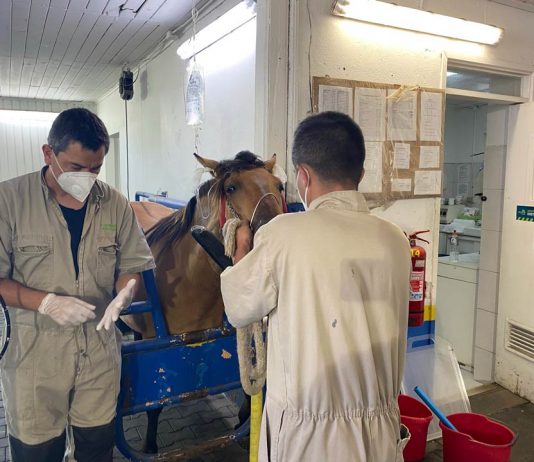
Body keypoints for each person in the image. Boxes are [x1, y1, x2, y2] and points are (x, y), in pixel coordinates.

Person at [220, 111, 412, 461]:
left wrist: (242, 251)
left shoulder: (282, 235)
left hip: (309, 439)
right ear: (361, 174)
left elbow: (239, 307)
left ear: (303, 176)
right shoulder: (396, 239)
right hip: (381, 433)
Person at [0, 108, 155, 462]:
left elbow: (131, 265)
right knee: (38, 453)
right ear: (48, 154)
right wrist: (44, 302)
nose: (87, 178)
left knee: (97, 450)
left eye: (96, 169)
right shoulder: (9, 201)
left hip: (98, 354)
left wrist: (125, 292)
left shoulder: (113, 203)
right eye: (75, 168)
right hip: (35, 359)